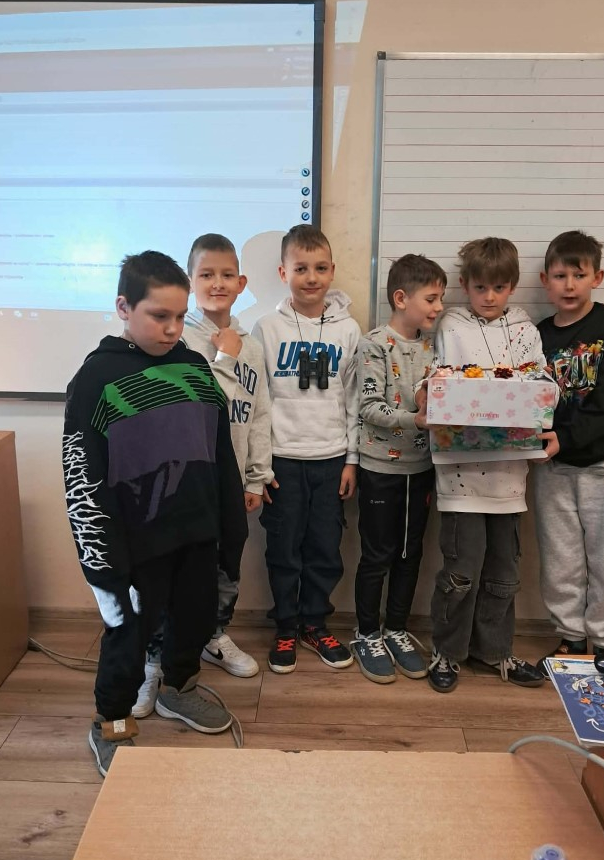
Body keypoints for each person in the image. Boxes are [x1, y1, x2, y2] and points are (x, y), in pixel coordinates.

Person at [62, 250, 247, 777]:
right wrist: (102, 563)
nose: (171, 329)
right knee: (129, 638)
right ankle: (112, 722)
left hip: (196, 531)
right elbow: (81, 477)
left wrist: (231, 527)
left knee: (194, 619)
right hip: (134, 545)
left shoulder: (195, 367)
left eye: (179, 316)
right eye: (158, 316)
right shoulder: (96, 380)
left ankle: (179, 689)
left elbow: (220, 453)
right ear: (124, 307)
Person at [421, 237, 545, 693]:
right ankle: (448, 652)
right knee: (460, 574)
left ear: (512, 286)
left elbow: (539, 385)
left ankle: (494, 651)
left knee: (503, 575)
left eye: (499, 287)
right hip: (460, 477)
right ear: (464, 285)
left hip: (511, 478)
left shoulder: (526, 330)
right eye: (479, 288)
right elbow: (437, 383)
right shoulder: (449, 325)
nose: (489, 297)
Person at [252, 224, 360, 673]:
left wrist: (352, 460)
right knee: (283, 550)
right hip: (282, 462)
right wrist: (259, 468)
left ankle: (315, 623)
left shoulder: (348, 329)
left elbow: (353, 399)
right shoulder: (266, 328)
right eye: (300, 268)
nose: (311, 277)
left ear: (332, 270)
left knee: (325, 549)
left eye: (319, 268)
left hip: (331, 460)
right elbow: (258, 402)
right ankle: (285, 627)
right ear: (283, 273)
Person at [533, 230, 604, 675]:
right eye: (560, 276)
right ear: (545, 281)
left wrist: (567, 438)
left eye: (579, 275)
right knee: (561, 562)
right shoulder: (536, 335)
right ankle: (571, 638)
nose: (570, 285)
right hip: (554, 469)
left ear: (598, 277)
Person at [352, 254, 446, 683]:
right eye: (432, 298)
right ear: (401, 298)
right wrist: (416, 420)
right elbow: (370, 407)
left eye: (441, 298)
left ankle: (396, 629)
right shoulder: (373, 344)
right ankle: (366, 633)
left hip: (421, 469)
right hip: (380, 471)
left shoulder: (433, 347)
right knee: (377, 556)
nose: (439, 307)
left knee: (410, 554)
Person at [182, 233, 273, 680]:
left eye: (226, 275)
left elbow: (258, 413)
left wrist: (256, 477)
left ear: (241, 283)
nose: (216, 283)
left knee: (227, 565)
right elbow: (200, 409)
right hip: (188, 485)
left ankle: (215, 635)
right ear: (190, 282)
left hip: (232, 482)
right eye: (206, 274)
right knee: (184, 569)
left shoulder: (251, 346)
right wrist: (223, 356)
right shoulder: (179, 341)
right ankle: (167, 651)